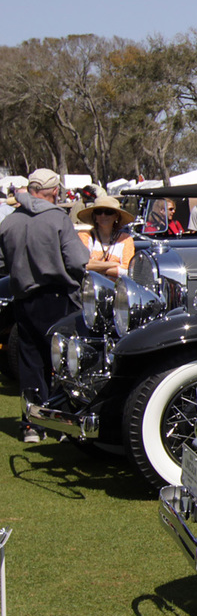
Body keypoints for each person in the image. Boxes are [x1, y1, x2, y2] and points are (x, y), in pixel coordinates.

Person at [0, 169, 90, 443]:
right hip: (57, 297)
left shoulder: (9, 222)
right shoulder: (57, 218)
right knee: (64, 362)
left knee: (31, 362)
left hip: (24, 298)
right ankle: (60, 421)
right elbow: (77, 260)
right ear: (53, 191)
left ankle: (31, 425)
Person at [78, 195, 135, 280]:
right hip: (90, 290)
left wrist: (96, 268)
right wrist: (114, 264)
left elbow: (127, 271)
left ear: (116, 216)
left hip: (116, 290)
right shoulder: (85, 235)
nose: (103, 215)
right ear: (95, 216)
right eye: (99, 212)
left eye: (108, 212)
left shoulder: (126, 239)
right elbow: (82, 264)